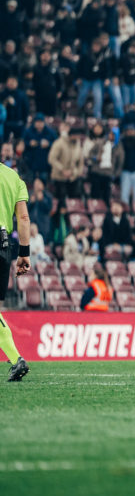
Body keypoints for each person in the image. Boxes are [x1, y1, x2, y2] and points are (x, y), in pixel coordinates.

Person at [0, 162, 32, 381]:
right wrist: (24, 253)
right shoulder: (13, 177)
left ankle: (16, 359)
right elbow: (23, 217)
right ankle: (16, 359)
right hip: (3, 247)